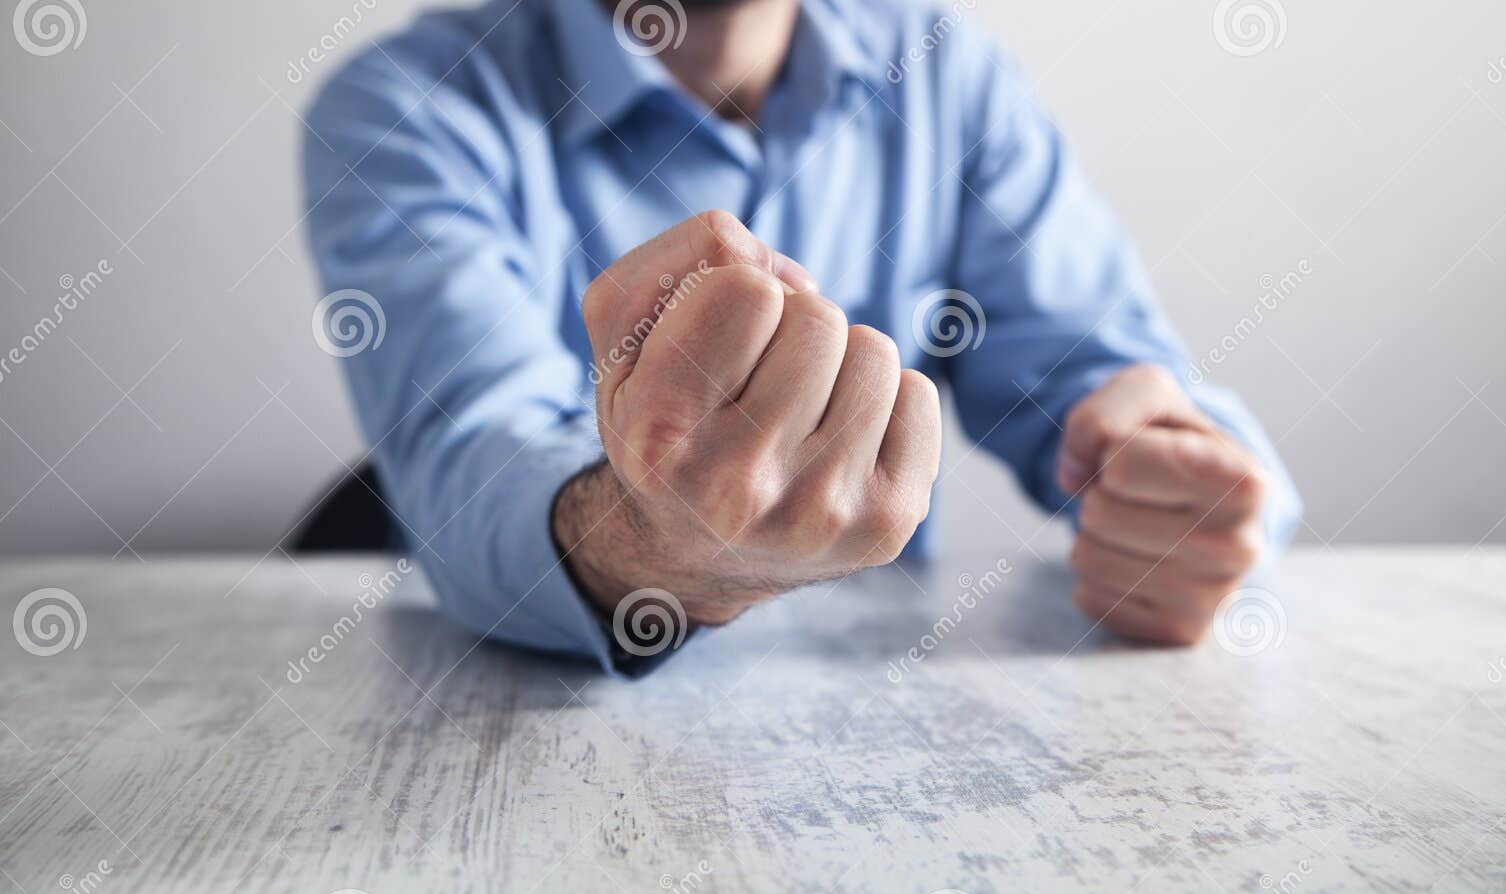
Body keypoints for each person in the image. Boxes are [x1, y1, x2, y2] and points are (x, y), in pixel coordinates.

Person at [302, 0, 1301, 676]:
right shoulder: (409, 106)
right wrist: (653, 543)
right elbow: (472, 462)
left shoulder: (943, 71)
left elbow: (1107, 372)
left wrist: (1187, 495)